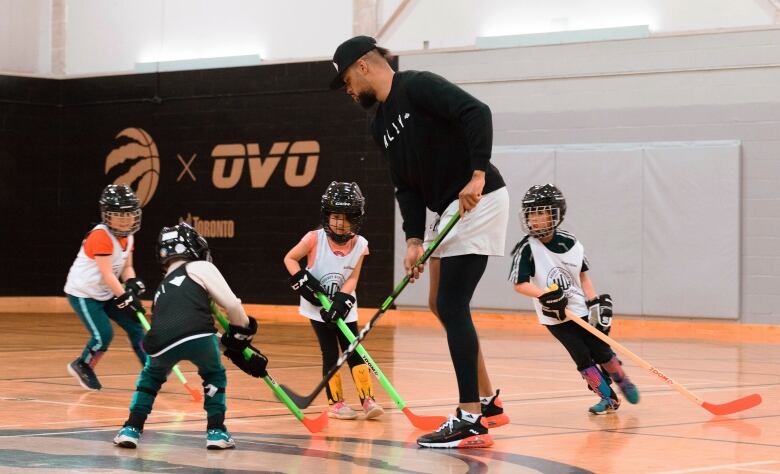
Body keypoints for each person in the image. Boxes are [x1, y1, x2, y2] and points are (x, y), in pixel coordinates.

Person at [329, 36, 509, 448]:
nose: (348, 91)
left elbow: (476, 112)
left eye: (346, 81)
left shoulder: (418, 85)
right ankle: (488, 402)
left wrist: (477, 173)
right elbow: (405, 186)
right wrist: (413, 240)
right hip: (446, 208)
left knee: (451, 303)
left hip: (478, 197)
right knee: (437, 303)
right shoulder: (378, 125)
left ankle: (470, 418)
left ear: (362, 66)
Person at [113, 222, 268, 449]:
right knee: (214, 375)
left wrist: (230, 348)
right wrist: (241, 337)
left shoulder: (162, 287)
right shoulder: (201, 268)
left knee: (151, 379)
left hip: (160, 340)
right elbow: (233, 307)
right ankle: (216, 431)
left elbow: (181, 329)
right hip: (199, 338)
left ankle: (131, 428)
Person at [508, 184, 640, 414]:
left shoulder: (570, 242)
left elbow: (583, 278)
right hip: (555, 317)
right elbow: (520, 284)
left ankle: (622, 380)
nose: (534, 218)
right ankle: (607, 397)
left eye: (540, 212)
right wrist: (545, 294)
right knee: (581, 356)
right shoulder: (526, 248)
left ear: (555, 214)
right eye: (531, 213)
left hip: (581, 309)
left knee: (602, 352)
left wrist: (594, 303)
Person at [284, 181, 384, 420]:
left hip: (344, 306)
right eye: (335, 216)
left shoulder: (360, 244)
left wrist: (341, 300)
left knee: (353, 350)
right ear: (327, 215)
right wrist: (303, 281)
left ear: (356, 218)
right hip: (317, 307)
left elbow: (353, 278)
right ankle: (336, 404)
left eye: (346, 217)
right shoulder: (314, 239)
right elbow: (289, 258)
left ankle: (368, 400)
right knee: (329, 352)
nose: (340, 223)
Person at [64, 184, 147, 391]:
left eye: (129, 214)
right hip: (84, 293)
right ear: (107, 215)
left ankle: (150, 368)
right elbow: (108, 274)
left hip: (107, 291)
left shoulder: (128, 236)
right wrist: (125, 297)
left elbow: (126, 266)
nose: (125, 219)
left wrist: (132, 282)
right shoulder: (101, 236)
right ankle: (83, 364)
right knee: (104, 335)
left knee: (135, 325)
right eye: (119, 215)